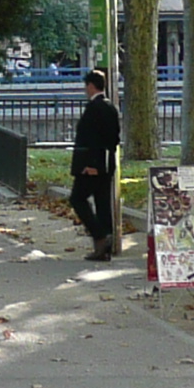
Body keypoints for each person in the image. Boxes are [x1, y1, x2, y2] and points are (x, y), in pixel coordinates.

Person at [69, 67, 123, 259]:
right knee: (102, 203)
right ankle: (104, 244)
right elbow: (113, 138)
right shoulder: (110, 107)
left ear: (91, 86)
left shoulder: (94, 108)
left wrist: (91, 163)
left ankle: (100, 236)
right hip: (106, 164)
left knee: (77, 198)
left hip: (92, 164)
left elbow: (91, 138)